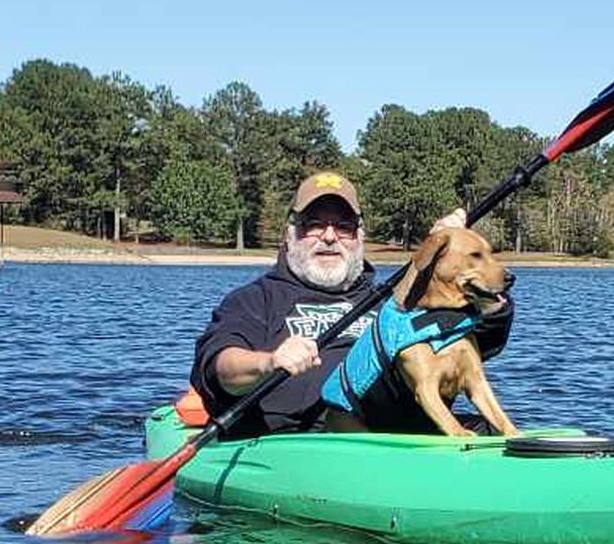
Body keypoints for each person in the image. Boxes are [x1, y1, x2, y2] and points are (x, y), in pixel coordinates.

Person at [189, 171, 514, 438]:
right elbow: (220, 367)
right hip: (305, 441)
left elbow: (482, 336)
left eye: (344, 227)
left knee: (489, 430)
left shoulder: (399, 299)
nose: (329, 236)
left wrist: (453, 253)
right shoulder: (255, 299)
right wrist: (268, 361)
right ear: (290, 235)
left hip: (408, 439)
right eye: (314, 224)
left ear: (360, 237)